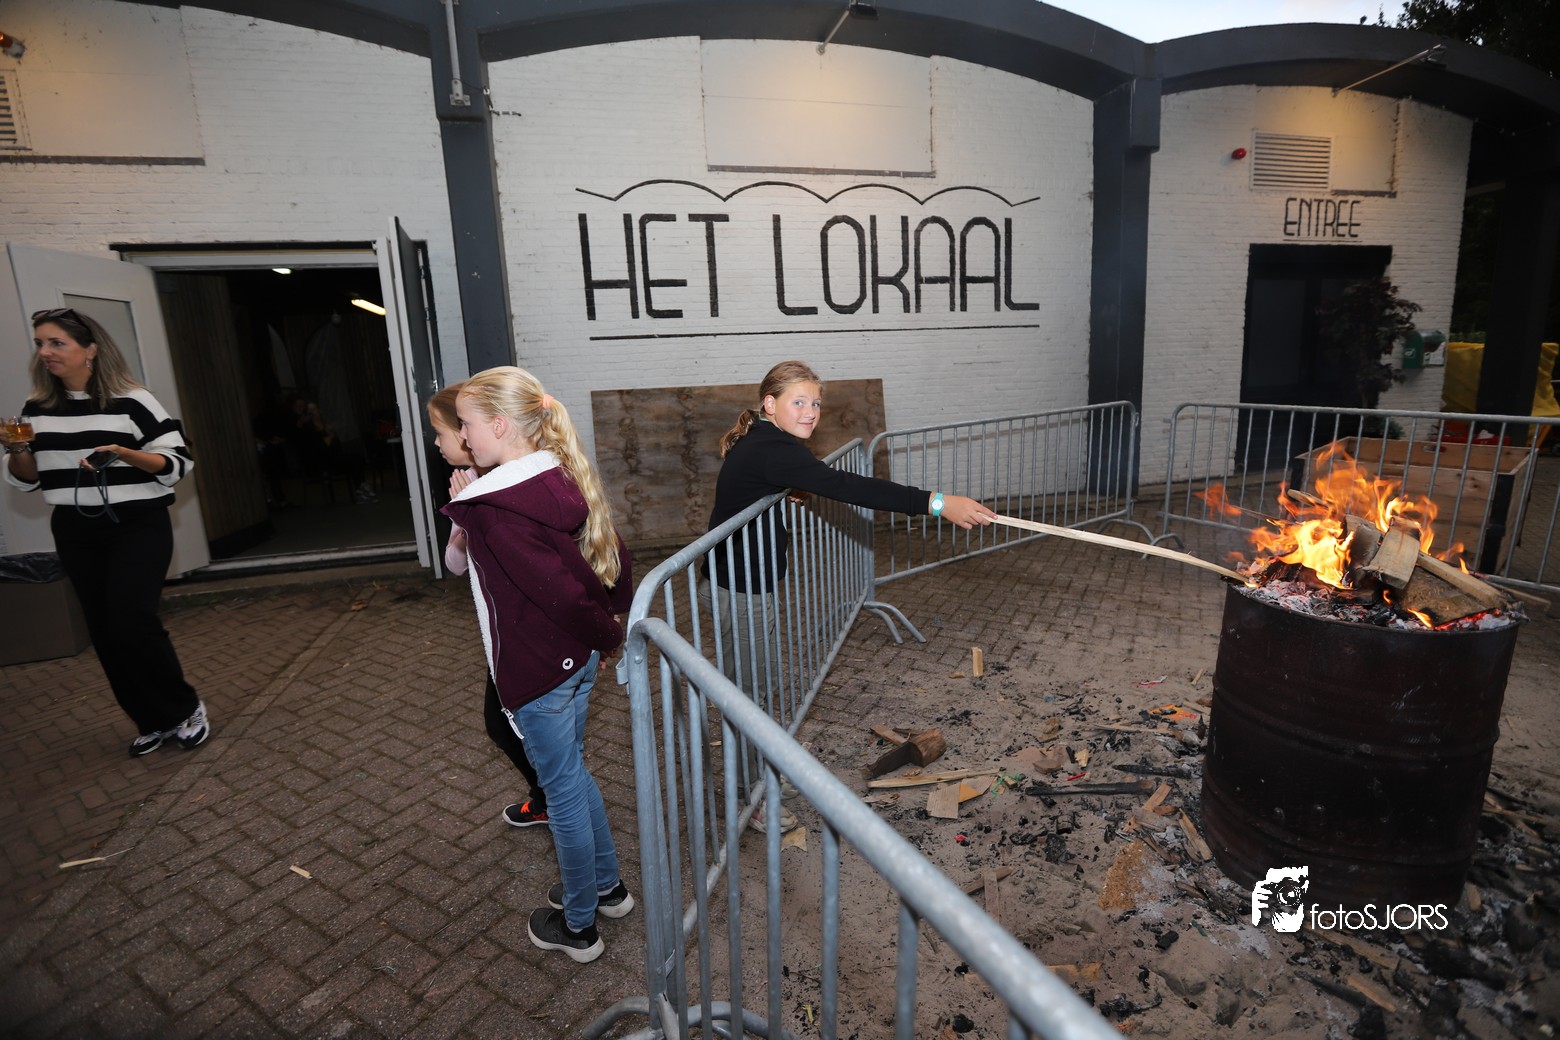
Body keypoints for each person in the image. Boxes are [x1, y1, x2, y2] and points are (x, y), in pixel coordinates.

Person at [442, 366, 634, 964]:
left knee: (563, 794)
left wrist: (609, 635)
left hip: (541, 672)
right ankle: (608, 888)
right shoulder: (553, 476)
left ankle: (579, 926)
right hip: (572, 661)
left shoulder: (498, 511)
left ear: (500, 425)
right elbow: (605, 563)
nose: (463, 436)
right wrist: (603, 634)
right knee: (573, 777)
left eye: (467, 424)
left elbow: (561, 594)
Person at [704, 360, 996, 691]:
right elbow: (852, 487)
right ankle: (752, 726)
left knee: (749, 681)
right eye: (798, 402)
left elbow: (765, 478)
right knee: (754, 690)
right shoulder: (775, 449)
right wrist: (939, 503)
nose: (810, 413)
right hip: (741, 588)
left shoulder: (762, 438)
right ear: (770, 404)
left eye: (816, 404)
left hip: (731, 580)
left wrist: (793, 484)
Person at [2, 308, 209, 757]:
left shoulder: (132, 400)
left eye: (57, 342)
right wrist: (17, 450)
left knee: (131, 619)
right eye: (40, 343)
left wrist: (125, 453)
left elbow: (178, 462)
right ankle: (152, 719)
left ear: (90, 350)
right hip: (75, 527)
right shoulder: (37, 409)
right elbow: (28, 479)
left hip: (137, 523)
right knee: (104, 629)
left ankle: (184, 708)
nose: (45, 352)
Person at [426, 383, 548, 829]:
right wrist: (462, 518)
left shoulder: (499, 487)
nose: (438, 442)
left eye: (444, 431)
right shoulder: (471, 485)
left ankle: (554, 799)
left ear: (469, 433)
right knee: (506, 726)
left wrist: (469, 509)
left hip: (521, 634)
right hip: (504, 632)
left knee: (509, 727)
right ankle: (551, 796)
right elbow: (455, 563)